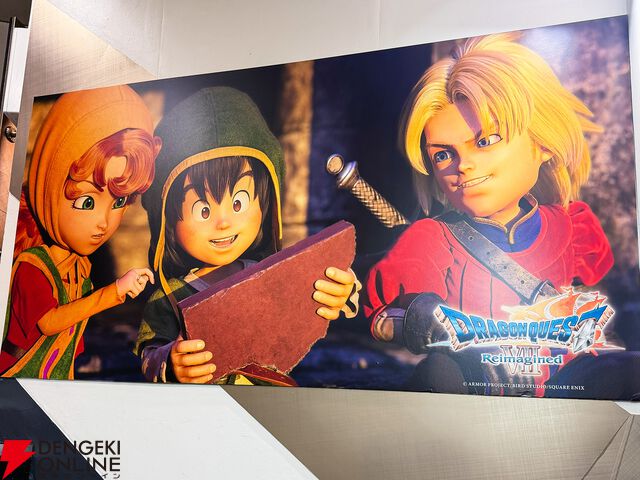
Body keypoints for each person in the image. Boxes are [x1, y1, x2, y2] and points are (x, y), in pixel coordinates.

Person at [363, 33, 614, 395]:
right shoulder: (432, 240)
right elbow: (381, 318)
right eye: (443, 154)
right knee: (439, 375)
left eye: (485, 141)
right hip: (477, 388)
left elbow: (595, 299)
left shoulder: (571, 226)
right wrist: (423, 322)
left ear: (543, 143)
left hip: (562, 387)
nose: (463, 165)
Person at [135, 86, 358, 384]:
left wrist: (341, 290)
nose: (223, 222)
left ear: (265, 202)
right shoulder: (169, 296)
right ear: (167, 219)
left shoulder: (272, 275)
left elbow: (319, 291)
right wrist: (170, 363)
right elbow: (149, 355)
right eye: (203, 210)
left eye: (238, 202)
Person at [0, 85, 161, 379]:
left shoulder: (79, 268)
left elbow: (69, 347)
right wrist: (114, 291)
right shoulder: (33, 265)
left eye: (119, 201)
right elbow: (49, 323)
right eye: (87, 201)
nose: (103, 222)